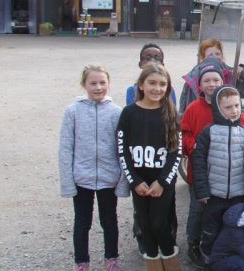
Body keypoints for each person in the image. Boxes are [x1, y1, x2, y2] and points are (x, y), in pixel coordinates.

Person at [59, 64, 128, 271]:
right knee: (82, 222)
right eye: (93, 83)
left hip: (109, 178)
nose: (98, 87)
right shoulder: (72, 111)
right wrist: (67, 183)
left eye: (102, 83)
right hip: (82, 178)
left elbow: (122, 149)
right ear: (84, 84)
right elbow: (65, 148)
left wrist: (122, 182)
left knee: (109, 221)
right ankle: (81, 262)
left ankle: (112, 260)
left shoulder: (117, 112)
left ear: (108, 84)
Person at [180, 64, 244, 267]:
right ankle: (194, 243)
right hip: (202, 174)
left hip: (229, 177)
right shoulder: (193, 109)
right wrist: (197, 148)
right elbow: (184, 134)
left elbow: (243, 135)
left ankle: (222, 249)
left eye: (216, 80)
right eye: (207, 80)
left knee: (225, 216)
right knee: (197, 212)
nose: (212, 84)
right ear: (200, 84)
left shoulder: (234, 111)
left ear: (222, 82)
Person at [117, 63, 182, 270]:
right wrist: (134, 181)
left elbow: (176, 152)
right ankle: (153, 263)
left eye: (163, 84)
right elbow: (122, 150)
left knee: (159, 224)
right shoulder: (128, 113)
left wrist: (162, 181)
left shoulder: (170, 113)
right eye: (152, 83)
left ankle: (171, 263)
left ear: (168, 88)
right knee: (145, 227)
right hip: (140, 182)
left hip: (162, 182)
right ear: (141, 85)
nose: (157, 88)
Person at [192, 85, 244, 262]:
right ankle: (208, 255)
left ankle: (229, 256)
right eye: (228, 107)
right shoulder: (208, 132)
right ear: (218, 109)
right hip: (214, 194)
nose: (234, 111)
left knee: (235, 228)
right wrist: (202, 191)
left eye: (237, 106)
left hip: (238, 193)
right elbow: (198, 163)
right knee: (211, 228)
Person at [179, 39, 244, 116]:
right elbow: (183, 111)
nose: (214, 57)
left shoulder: (232, 75)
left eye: (217, 54)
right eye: (210, 55)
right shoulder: (192, 80)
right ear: (202, 58)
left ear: (222, 55)